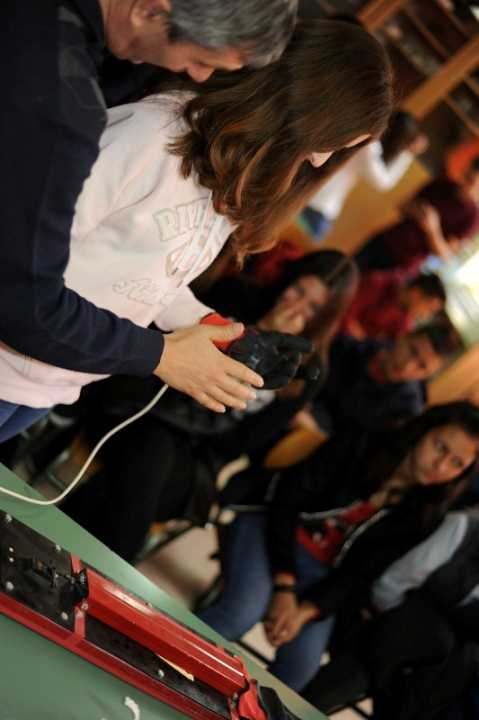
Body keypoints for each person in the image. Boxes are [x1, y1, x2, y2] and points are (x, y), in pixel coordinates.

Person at [0, 0, 299, 439]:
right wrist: (160, 355)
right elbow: (24, 290)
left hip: (55, 374)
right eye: (201, 60)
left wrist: (212, 329)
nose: (199, 77)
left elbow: (153, 279)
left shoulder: (83, 66)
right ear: (150, 10)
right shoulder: (90, 108)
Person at [60, 250, 358, 562]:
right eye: (298, 290)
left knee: (142, 473)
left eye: (312, 307)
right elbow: (164, 351)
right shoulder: (236, 295)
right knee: (147, 461)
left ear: (324, 319)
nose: (296, 306)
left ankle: (68, 551)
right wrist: (256, 333)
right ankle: (103, 569)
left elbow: (240, 443)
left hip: (197, 456)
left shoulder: (308, 369)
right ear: (289, 279)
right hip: (142, 408)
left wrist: (248, 380)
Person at [197, 402, 479, 691]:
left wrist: (305, 611)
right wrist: (284, 586)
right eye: (440, 447)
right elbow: (285, 505)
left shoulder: (425, 514)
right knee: (240, 613)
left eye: (457, 464)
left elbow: (360, 575)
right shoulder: (361, 442)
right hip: (271, 531)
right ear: (422, 430)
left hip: (322, 574)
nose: (441, 466)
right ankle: (164, 665)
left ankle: (226, 708)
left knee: (299, 670)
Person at [304, 509, 479, 719]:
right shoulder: (464, 527)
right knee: (422, 633)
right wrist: (385, 620)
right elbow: (391, 585)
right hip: (380, 627)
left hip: (432, 675)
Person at [303, 321, 463, 437]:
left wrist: (315, 430)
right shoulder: (348, 347)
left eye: (422, 367)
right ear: (403, 336)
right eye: (412, 351)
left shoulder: (404, 411)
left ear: (427, 376)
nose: (407, 366)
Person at [300, 110, 428, 241]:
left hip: (312, 198)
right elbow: (384, 182)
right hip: (316, 205)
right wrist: (408, 153)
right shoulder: (369, 145)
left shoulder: (364, 134)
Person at [355, 157, 479, 274]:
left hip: (403, 263)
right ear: (466, 170)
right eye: (468, 178)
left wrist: (432, 229)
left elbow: (445, 255)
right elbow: (403, 205)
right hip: (386, 239)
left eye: (474, 184)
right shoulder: (441, 183)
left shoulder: (473, 218)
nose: (467, 186)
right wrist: (417, 212)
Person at [341, 271, 447, 341]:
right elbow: (343, 311)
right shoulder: (379, 282)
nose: (426, 315)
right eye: (429, 309)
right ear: (416, 293)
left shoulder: (404, 323)